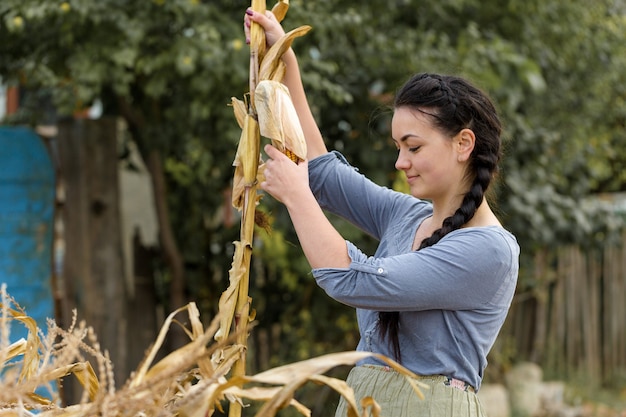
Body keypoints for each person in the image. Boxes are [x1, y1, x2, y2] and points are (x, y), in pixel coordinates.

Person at [244, 8, 519, 417]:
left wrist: (297, 197)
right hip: (362, 402)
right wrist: (286, 62)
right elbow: (323, 174)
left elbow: (352, 280)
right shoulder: (406, 216)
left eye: (414, 147)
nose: (401, 162)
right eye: (397, 148)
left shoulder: (489, 251)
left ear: (463, 144)